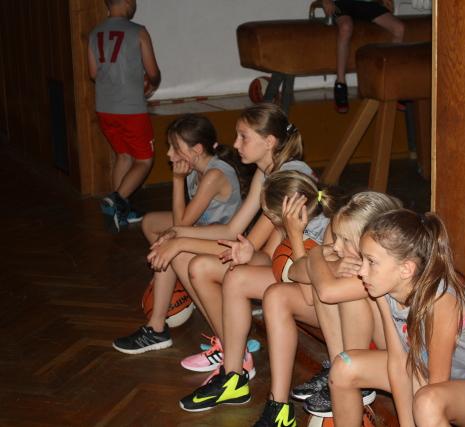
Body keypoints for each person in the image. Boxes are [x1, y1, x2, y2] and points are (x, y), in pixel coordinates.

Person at [142, 103, 311, 373]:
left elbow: (249, 245)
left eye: (243, 137)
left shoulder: (288, 177)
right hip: (275, 261)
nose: (235, 144)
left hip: (297, 271)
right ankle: (231, 347)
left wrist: (180, 241)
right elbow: (233, 230)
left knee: (197, 263)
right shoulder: (265, 171)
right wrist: (177, 233)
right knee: (184, 256)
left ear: (269, 142)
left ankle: (236, 353)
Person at [329, 210, 465, 427]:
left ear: (406, 269)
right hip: (436, 377)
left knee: (428, 402)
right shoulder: (384, 290)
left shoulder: (441, 300)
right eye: (362, 259)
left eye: (371, 261)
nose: (361, 271)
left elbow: (437, 384)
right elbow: (398, 363)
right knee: (343, 367)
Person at [178, 170, 343, 422]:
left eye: (270, 217)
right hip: (302, 286)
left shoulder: (329, 229)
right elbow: (273, 262)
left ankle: (278, 407)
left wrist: (295, 236)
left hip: (329, 307)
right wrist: (249, 256)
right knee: (236, 276)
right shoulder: (288, 224)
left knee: (276, 296)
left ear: (281, 214)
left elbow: (312, 296)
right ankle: (233, 377)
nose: (270, 222)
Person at [112, 114, 252, 354]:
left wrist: (177, 180)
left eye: (175, 148)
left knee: (171, 244)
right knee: (151, 223)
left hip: (225, 243)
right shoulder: (196, 167)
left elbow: (180, 224)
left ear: (196, 150)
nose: (169, 154)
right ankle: (176, 278)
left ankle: (156, 328)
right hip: (203, 231)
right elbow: (184, 224)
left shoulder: (214, 175)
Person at [290, 192, 401, 419]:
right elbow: (294, 272)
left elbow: (326, 291)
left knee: (327, 281)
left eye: (345, 240)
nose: (337, 247)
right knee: (322, 275)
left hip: (392, 354)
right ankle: (338, 367)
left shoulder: (379, 274)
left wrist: (316, 253)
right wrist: (325, 263)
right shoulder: (351, 259)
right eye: (336, 238)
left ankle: (355, 379)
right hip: (373, 348)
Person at [88, 0, 161, 230]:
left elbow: (93, 73)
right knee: (144, 160)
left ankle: (122, 212)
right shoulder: (138, 31)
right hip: (131, 109)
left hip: (104, 108)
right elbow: (153, 72)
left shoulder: (94, 33)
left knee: (123, 155)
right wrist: (152, 82)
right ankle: (116, 200)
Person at [322, 0, 404, 113]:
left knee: (399, 28)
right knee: (345, 27)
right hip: (342, 3)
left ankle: (392, 83)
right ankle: (340, 83)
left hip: (367, 3)